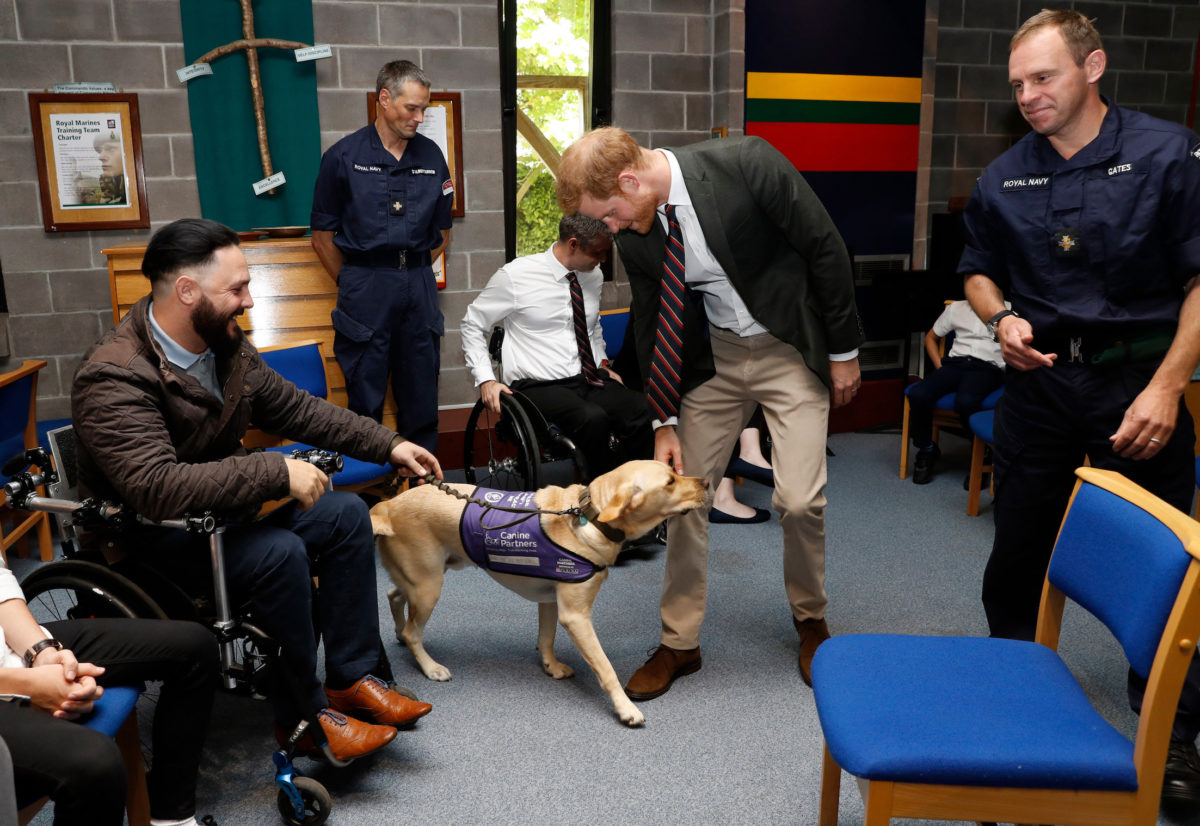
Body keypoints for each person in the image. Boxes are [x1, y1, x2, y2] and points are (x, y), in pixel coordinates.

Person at [72, 218, 443, 767]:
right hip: (152, 540)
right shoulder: (114, 377)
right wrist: (274, 470)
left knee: (345, 515)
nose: (248, 301)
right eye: (237, 289)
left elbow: (297, 409)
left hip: (219, 516)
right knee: (279, 552)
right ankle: (305, 719)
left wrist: (388, 443)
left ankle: (351, 678)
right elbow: (155, 487)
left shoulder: (223, 347)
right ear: (187, 291)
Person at [960, 9, 1200, 806]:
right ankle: (1009, 696)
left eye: (1044, 77)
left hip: (1140, 388)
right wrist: (1000, 319)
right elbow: (978, 273)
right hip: (1040, 390)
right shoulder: (1004, 177)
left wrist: (1168, 386)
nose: (1028, 96)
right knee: (1017, 553)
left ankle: (1172, 731)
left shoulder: (1170, 154)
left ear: (1092, 66)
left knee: (1165, 565)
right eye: (1018, 84)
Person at [557, 126, 862, 695]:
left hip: (788, 347)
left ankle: (811, 619)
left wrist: (844, 352)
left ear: (630, 179)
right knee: (683, 496)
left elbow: (825, 246)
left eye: (613, 214)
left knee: (798, 499)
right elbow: (652, 314)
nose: (613, 229)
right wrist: (662, 419)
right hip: (715, 358)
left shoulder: (746, 163)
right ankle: (680, 643)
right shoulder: (636, 222)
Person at [1, 555, 218, 826]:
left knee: (196, 648)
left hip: (7, 649)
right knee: (95, 765)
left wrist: (41, 652)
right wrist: (28, 685)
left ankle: (172, 819)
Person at [310, 59, 453, 452]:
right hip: (365, 285)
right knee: (365, 398)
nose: (420, 118)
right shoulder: (342, 157)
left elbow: (442, 233)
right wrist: (356, 280)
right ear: (384, 99)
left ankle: (426, 492)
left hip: (419, 286)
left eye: (424, 108)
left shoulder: (431, 157)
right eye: (412, 108)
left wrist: (413, 269)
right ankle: (368, 499)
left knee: (422, 394)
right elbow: (322, 236)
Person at [461, 214, 653, 480]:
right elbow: (473, 325)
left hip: (585, 378)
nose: (603, 261)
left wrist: (602, 363)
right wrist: (486, 380)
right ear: (573, 244)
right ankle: (601, 496)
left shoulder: (592, 275)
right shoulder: (516, 276)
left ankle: (634, 487)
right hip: (536, 386)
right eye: (597, 253)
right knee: (592, 419)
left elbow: (591, 326)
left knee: (640, 409)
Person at [906, 299, 1006, 484]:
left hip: (987, 368)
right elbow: (931, 338)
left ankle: (982, 454)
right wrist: (939, 367)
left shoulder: (1009, 310)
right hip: (955, 365)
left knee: (966, 401)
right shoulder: (956, 308)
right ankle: (927, 449)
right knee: (918, 394)